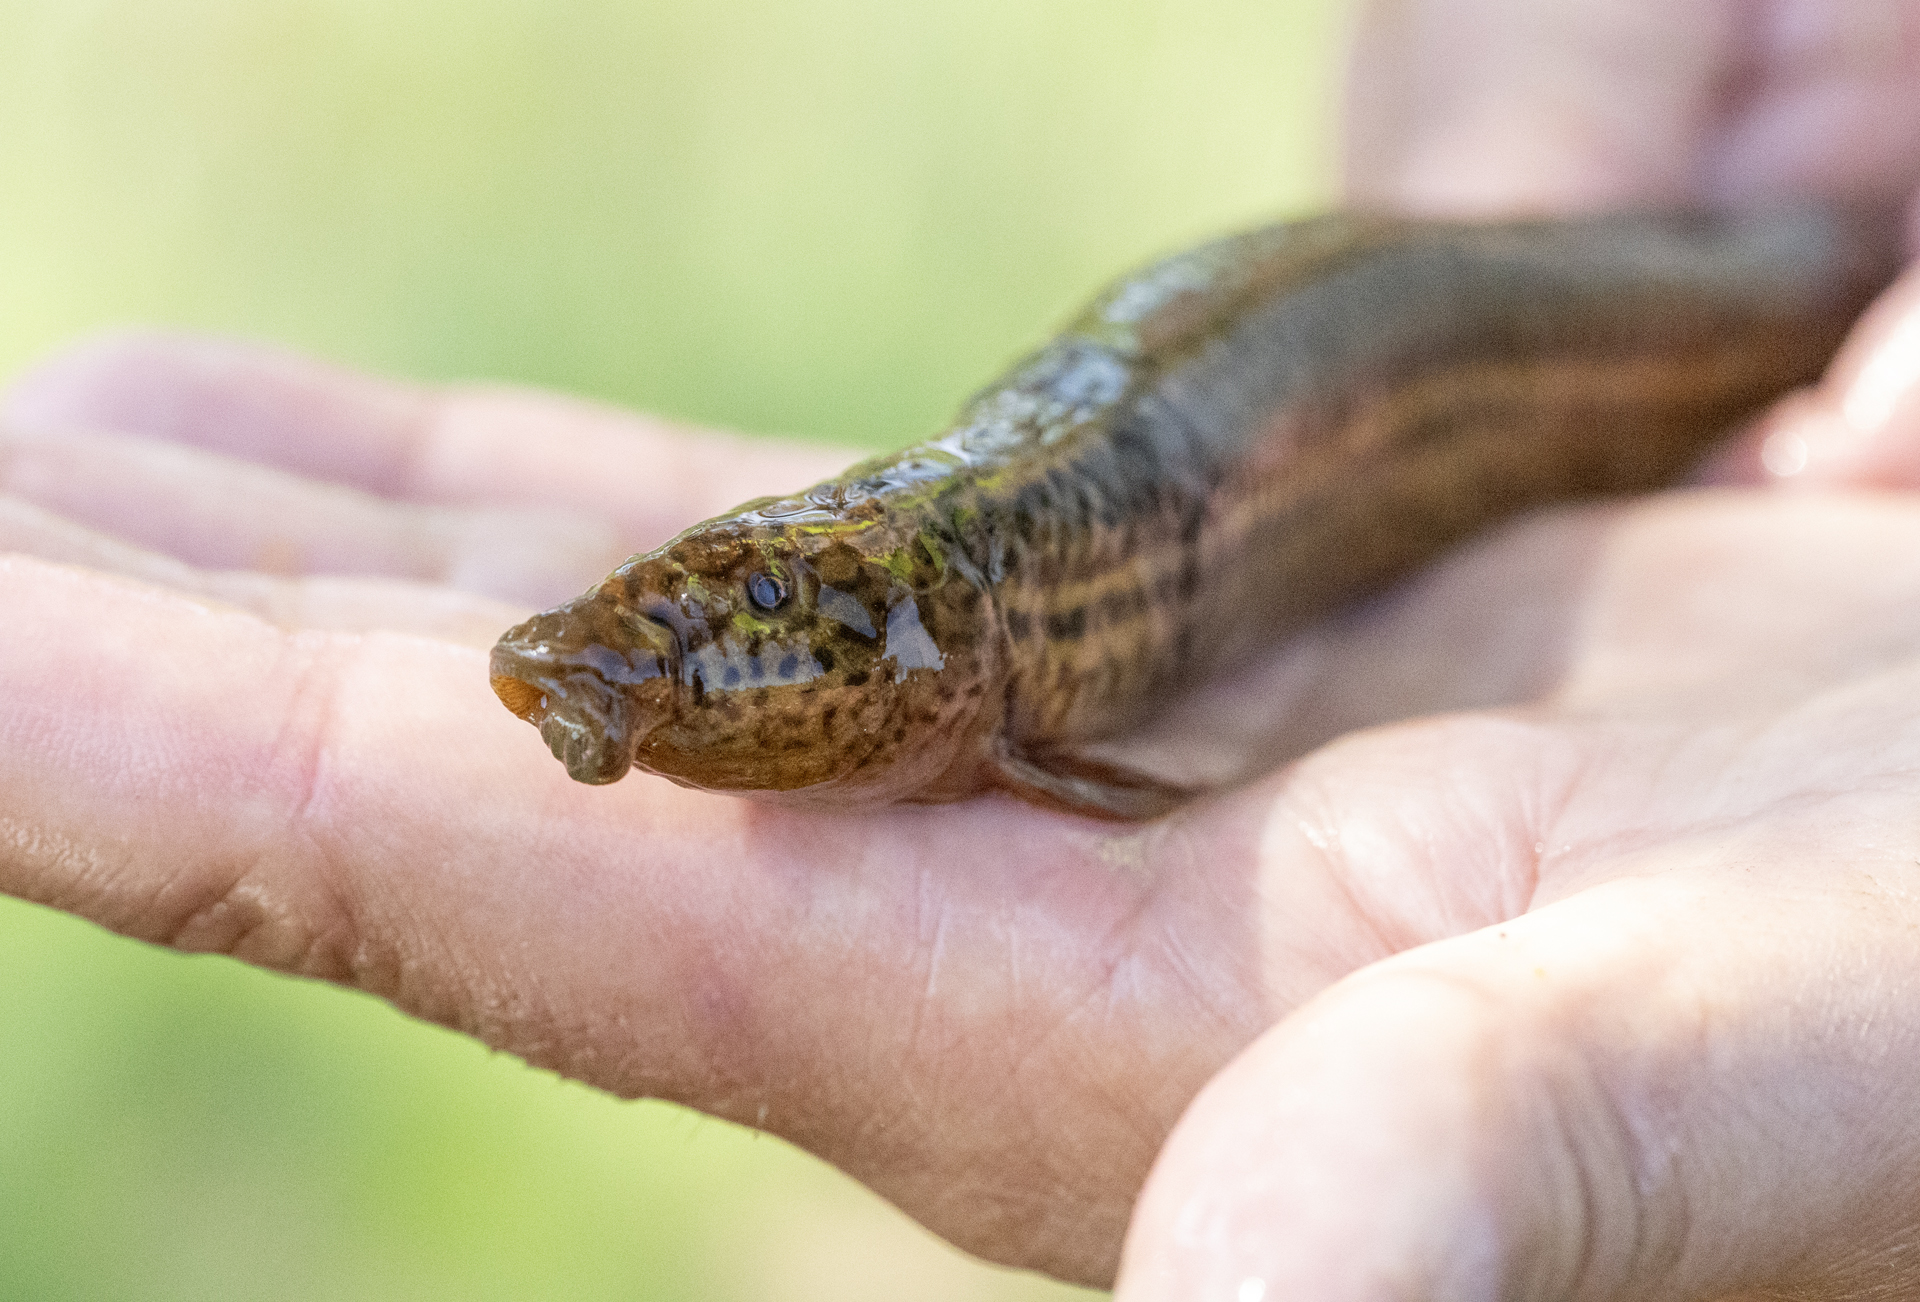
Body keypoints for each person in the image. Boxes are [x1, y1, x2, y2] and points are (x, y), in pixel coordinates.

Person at [4, 0, 1920, 1295]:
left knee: (1741, 277)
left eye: (741, 626)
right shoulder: (897, 604)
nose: (679, 661)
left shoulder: (935, 605)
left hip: (1685, 297)